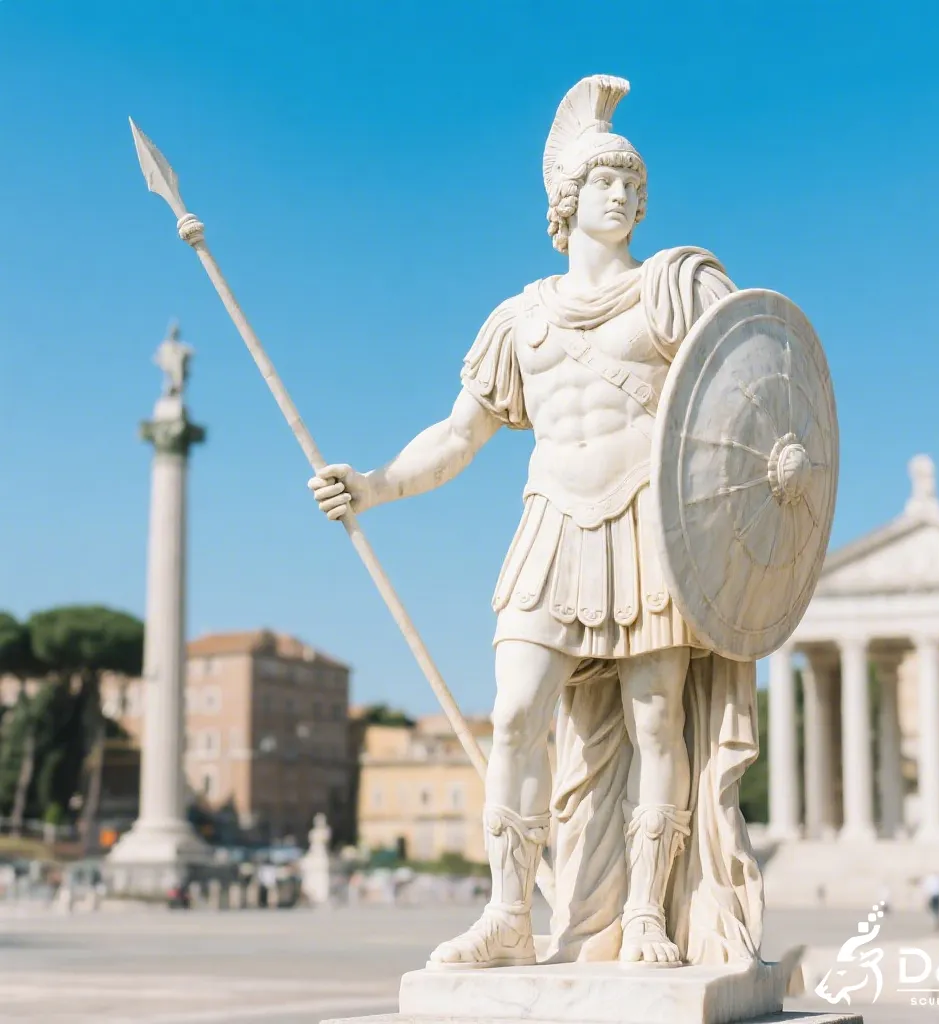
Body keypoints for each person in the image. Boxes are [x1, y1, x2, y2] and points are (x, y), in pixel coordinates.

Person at [310, 75, 764, 970]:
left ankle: (642, 912)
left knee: (656, 722)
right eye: (606, 181)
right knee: (515, 713)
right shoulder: (521, 319)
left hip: (648, 529)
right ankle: (509, 912)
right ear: (567, 200)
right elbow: (457, 434)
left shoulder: (672, 290)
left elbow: (747, 396)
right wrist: (372, 485)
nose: (625, 194)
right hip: (552, 522)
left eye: (633, 183)